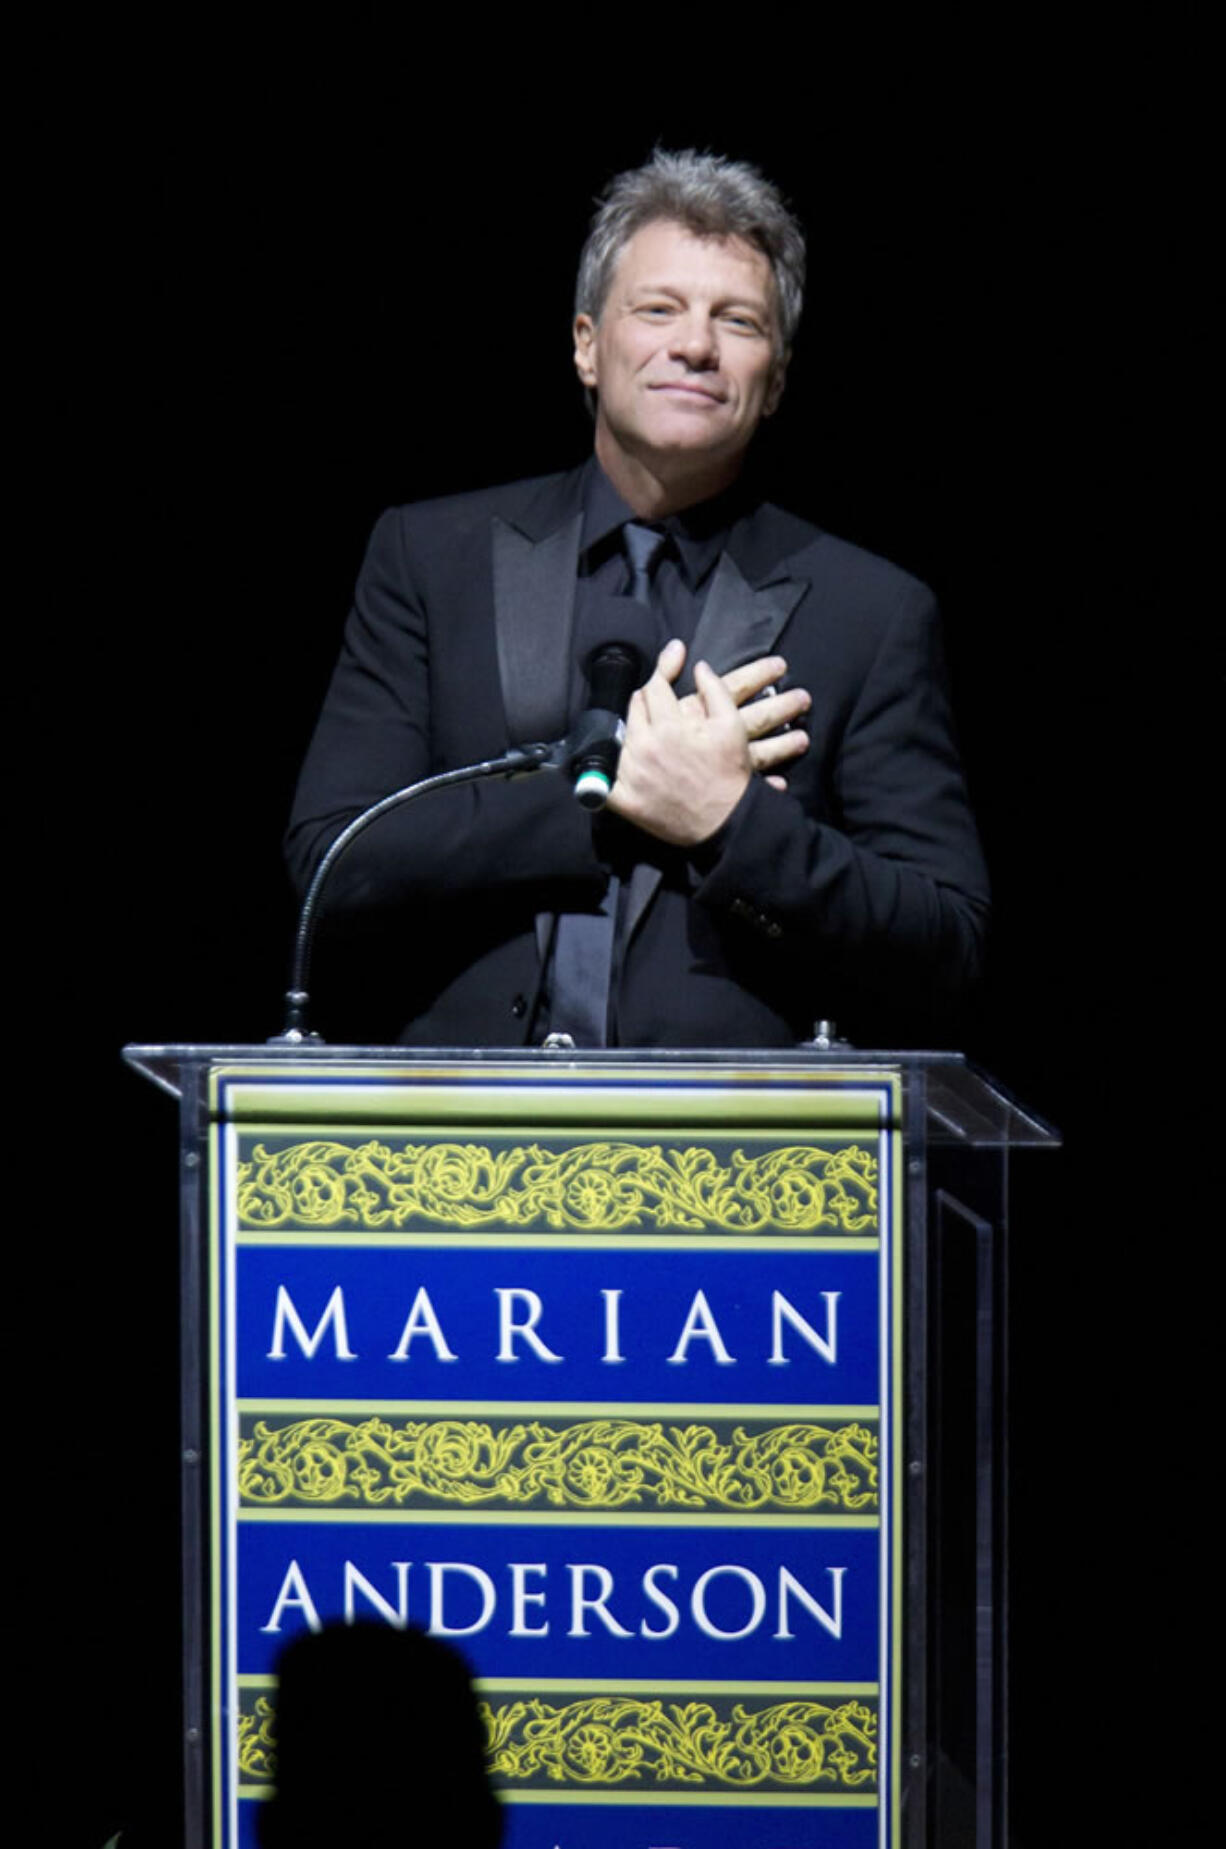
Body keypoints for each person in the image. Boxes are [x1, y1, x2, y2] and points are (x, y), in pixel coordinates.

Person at [286, 150, 989, 1049]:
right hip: (454, 1146)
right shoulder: (430, 557)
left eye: (737, 321)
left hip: (733, 1163)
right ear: (587, 345)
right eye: (658, 308)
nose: (694, 344)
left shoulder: (872, 611)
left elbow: (947, 946)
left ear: (774, 380)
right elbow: (331, 864)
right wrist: (601, 799)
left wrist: (730, 825)